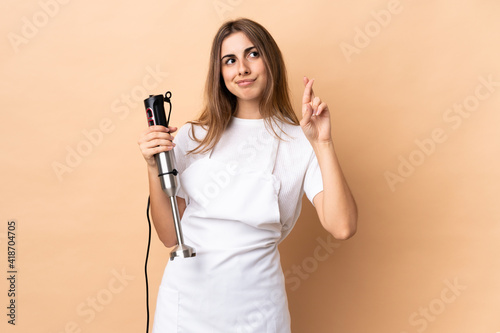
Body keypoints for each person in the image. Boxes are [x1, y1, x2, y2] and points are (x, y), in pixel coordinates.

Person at [138, 18, 357, 333]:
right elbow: (170, 236)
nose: (241, 68)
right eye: (230, 60)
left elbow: (343, 226)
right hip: (185, 307)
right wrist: (152, 166)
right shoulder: (192, 136)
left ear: (270, 61)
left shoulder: (300, 141)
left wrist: (322, 142)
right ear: (220, 73)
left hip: (258, 310)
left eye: (252, 54)